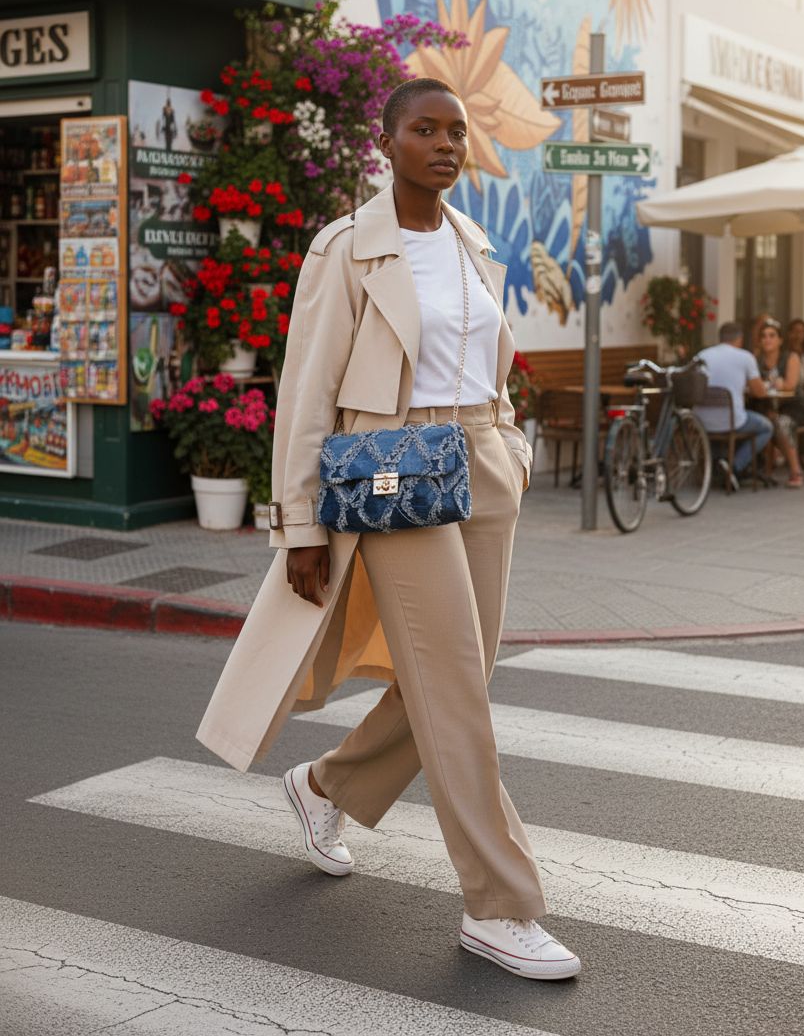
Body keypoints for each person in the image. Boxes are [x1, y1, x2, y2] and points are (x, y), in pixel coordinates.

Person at [196, 77, 580, 981]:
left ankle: (327, 785)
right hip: (392, 469)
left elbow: (487, 362)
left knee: (457, 676)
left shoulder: (475, 246)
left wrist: (509, 445)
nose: (445, 145)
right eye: (425, 129)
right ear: (388, 140)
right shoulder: (346, 250)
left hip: (482, 460)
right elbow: (305, 390)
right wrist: (298, 525)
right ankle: (501, 906)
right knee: (456, 692)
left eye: (457, 132)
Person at [694, 321, 773, 488]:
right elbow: (760, 392)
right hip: (732, 421)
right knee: (766, 427)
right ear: (740, 339)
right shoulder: (745, 357)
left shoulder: (702, 355)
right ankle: (734, 467)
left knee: (727, 421)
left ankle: (718, 464)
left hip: (700, 420)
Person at [756, 317, 804, 488]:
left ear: (780, 340)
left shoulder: (790, 357)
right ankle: (764, 469)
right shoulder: (757, 360)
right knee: (763, 419)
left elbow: (790, 386)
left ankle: (795, 471)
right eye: (764, 336)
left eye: (772, 336)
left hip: (793, 406)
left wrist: (779, 384)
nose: (767, 339)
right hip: (767, 405)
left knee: (781, 422)